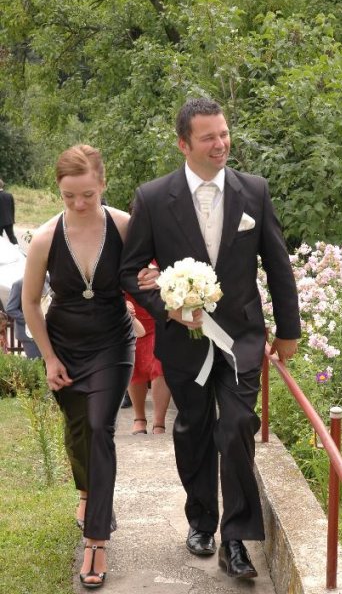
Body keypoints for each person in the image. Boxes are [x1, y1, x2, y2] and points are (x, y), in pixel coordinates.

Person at [120, 98, 301, 579]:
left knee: (237, 425)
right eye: (208, 137)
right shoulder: (153, 198)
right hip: (183, 343)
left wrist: (289, 329)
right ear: (184, 144)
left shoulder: (254, 191)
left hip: (241, 337)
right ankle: (201, 520)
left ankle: (236, 539)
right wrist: (168, 306)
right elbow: (130, 270)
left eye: (223, 133)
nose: (220, 144)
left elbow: (277, 264)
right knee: (193, 428)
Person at [22, 144, 157, 589]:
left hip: (113, 342)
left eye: (87, 195)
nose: (79, 204)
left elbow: (145, 270)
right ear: (58, 192)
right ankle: (87, 491)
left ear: (103, 184)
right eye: (69, 196)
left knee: (100, 428)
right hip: (64, 345)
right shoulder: (45, 238)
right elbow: (30, 303)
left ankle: (96, 539)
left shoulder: (124, 226)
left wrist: (152, 278)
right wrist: (49, 358)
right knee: (78, 431)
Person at [124, 290, 171, 435]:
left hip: (158, 307)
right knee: (135, 364)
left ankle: (159, 423)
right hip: (131, 310)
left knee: (160, 364)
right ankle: (139, 418)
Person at [6, 277, 44, 358]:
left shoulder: (48, 280)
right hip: (29, 336)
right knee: (36, 363)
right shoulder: (19, 284)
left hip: (47, 333)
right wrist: (32, 320)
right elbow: (11, 309)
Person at [0, 178, 18, 245]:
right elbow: (12, 209)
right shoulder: (9, 195)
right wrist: (12, 220)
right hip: (9, 221)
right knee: (12, 237)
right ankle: (17, 249)